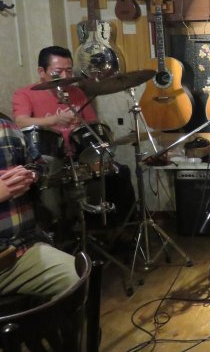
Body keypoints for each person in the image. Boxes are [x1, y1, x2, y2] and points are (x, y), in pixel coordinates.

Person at [12, 46, 135, 238]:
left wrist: (84, 125)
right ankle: (66, 234)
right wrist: (54, 120)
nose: (65, 76)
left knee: (119, 173)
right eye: (58, 72)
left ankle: (116, 232)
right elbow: (20, 122)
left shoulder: (76, 93)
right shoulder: (25, 94)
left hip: (81, 157)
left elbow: (93, 124)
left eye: (68, 71)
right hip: (51, 161)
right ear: (41, 71)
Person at [0, 117, 79, 300]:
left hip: (19, 253)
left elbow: (39, 164)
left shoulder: (6, 127)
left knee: (79, 278)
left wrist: (32, 174)